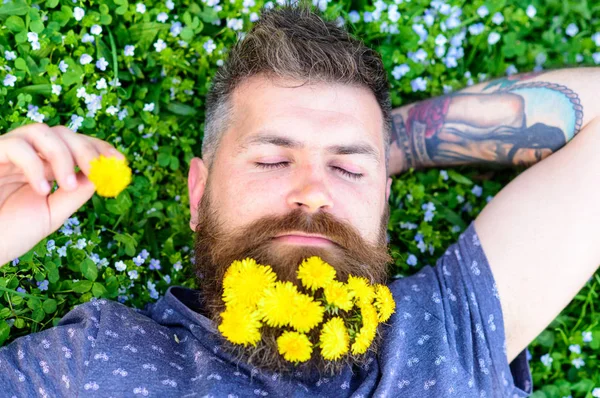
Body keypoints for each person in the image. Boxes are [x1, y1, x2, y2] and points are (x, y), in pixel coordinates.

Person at [1, 2, 599, 397]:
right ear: (199, 192)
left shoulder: (447, 325)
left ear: (385, 207)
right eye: (271, 160)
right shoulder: (94, 359)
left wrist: (386, 146)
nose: (313, 191)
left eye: (345, 168)